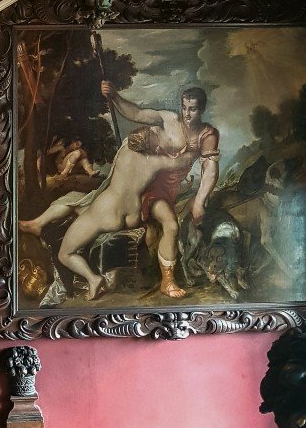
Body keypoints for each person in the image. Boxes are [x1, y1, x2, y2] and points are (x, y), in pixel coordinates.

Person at [21, 84, 220, 300]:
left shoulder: (204, 135)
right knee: (82, 202)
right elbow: (136, 113)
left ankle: (167, 280)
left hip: (154, 193)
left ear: (202, 110)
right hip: (136, 197)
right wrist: (115, 96)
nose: (187, 114)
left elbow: (208, 168)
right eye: (184, 108)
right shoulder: (166, 126)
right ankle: (40, 224)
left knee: (170, 224)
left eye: (192, 109)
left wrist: (199, 200)